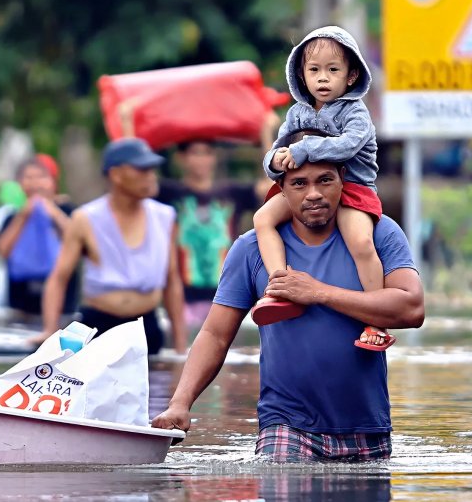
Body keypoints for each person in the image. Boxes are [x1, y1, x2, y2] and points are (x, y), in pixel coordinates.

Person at [152, 158, 425, 462]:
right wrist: (180, 403)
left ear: (343, 178)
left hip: (367, 426)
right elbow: (215, 335)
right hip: (285, 425)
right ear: (280, 187)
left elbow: (411, 308)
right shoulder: (251, 249)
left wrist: (318, 292)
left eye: (325, 180)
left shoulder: (377, 232)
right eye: (299, 183)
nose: (313, 194)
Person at [251, 26, 392, 351]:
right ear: (301, 75)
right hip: (308, 189)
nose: (323, 78)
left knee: (360, 241)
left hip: (352, 188)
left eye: (333, 70)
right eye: (314, 70)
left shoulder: (356, 112)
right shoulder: (297, 113)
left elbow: (347, 145)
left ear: (352, 76)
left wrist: (303, 150)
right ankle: (280, 287)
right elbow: (277, 149)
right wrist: (275, 162)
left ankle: (377, 319)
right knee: (262, 219)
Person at [29, 138, 187, 355]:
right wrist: (49, 330)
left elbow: (172, 281)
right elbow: (59, 277)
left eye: (152, 169)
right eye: (142, 170)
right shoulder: (86, 218)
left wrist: (180, 346)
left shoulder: (165, 217)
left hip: (145, 327)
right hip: (98, 325)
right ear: (116, 175)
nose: (151, 176)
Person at [155, 141, 270, 330]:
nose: (202, 159)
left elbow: (271, 187)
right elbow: (136, 177)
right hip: (181, 300)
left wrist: (265, 136)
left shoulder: (231, 193)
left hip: (227, 297)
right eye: (195, 153)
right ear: (180, 158)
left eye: (207, 153)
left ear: (215, 157)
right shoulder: (168, 194)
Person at [0, 158, 73, 316]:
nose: (35, 183)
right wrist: (23, 216)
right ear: (19, 184)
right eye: (28, 177)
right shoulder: (12, 215)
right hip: (20, 301)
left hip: (63, 301)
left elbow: (77, 240)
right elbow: (2, 251)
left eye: (41, 177)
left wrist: (54, 213)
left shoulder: (67, 210)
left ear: (53, 182)